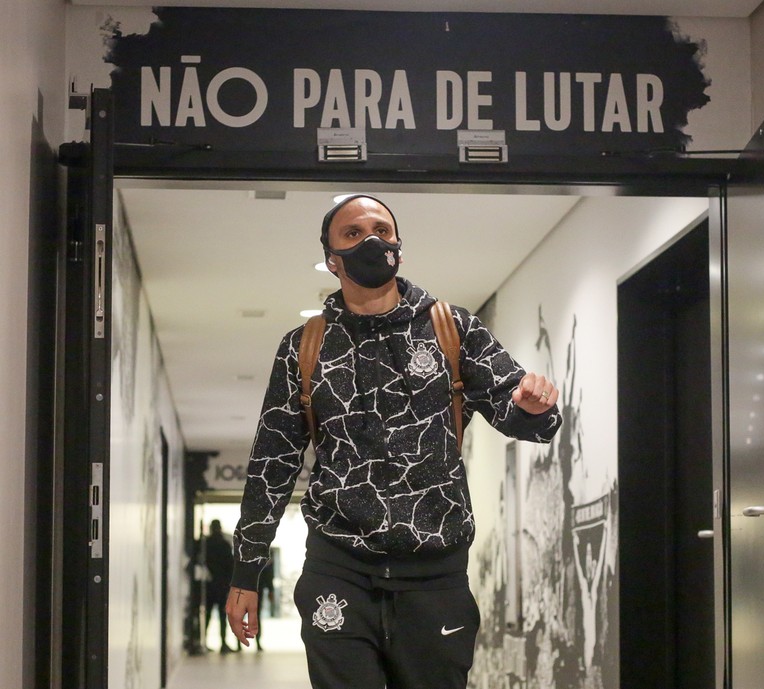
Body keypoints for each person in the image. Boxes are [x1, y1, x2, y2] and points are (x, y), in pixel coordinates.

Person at [226, 194, 562, 689]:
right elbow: (271, 465)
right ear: (331, 259)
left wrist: (538, 408)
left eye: (382, 230)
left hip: (435, 574)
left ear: (399, 247)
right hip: (337, 569)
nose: (372, 241)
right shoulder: (304, 346)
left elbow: (519, 415)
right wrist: (245, 572)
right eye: (353, 233)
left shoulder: (453, 328)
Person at [203, 519, 238, 653]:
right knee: (223, 616)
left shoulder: (206, 544)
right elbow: (230, 566)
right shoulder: (224, 544)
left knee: (207, 615)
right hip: (222, 585)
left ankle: (203, 641)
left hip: (209, 585)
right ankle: (223, 643)